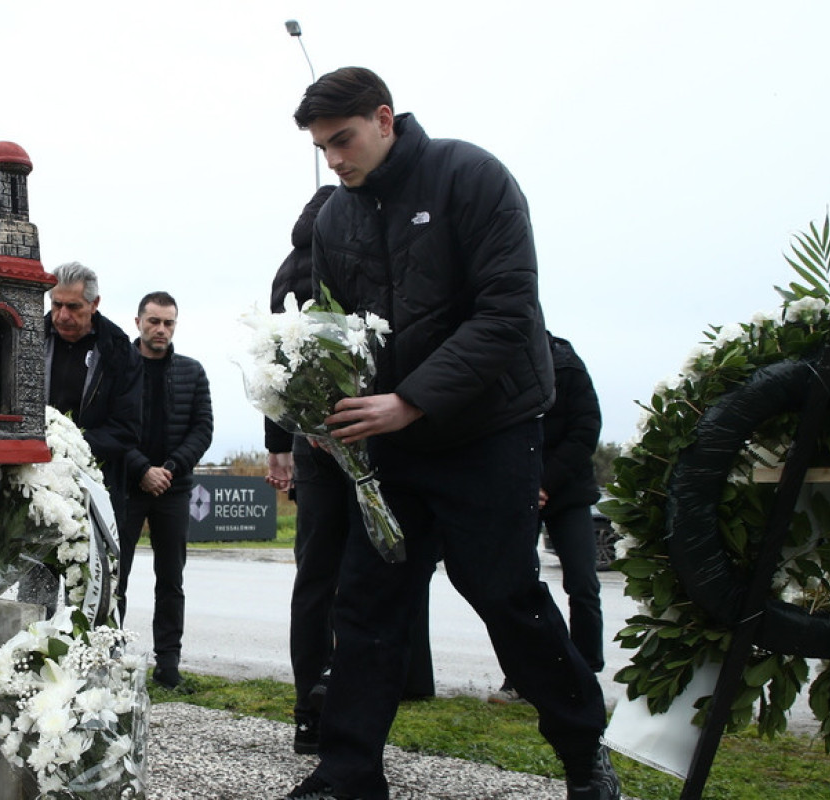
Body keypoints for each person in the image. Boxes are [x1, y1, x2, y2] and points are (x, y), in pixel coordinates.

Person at [283, 67, 618, 800]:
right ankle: (347, 775)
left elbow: (507, 314)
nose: (334, 159)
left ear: (385, 118)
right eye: (322, 148)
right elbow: (339, 332)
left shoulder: (472, 178)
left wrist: (410, 400)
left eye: (343, 140)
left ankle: (583, 750)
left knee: (504, 594)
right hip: (392, 445)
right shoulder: (336, 219)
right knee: (367, 604)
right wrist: (324, 411)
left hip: (487, 430)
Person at [265, 187, 436, 757]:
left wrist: (280, 443)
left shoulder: (285, 275)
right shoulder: (342, 266)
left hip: (314, 439)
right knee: (369, 574)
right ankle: (351, 707)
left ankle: (308, 711)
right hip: (363, 435)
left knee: (316, 576)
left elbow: (276, 374)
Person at [491, 333, 605, 704]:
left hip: (567, 492)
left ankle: (586, 673)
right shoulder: (502, 360)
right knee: (518, 586)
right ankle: (521, 676)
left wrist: (545, 483)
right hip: (518, 488)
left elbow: (585, 430)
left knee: (583, 584)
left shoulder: (568, 364)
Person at [115, 291, 213, 689]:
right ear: (138, 321)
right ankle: (107, 659)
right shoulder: (117, 369)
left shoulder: (192, 371)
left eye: (168, 322)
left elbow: (202, 429)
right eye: (153, 321)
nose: (161, 329)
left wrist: (168, 469)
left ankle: (168, 667)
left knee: (171, 579)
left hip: (172, 488)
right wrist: (141, 469)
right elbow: (106, 426)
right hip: (126, 483)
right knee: (114, 576)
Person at [44, 261, 143, 530]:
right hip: (36, 478)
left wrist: (67, 445)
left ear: (94, 303)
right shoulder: (29, 337)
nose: (62, 315)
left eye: (73, 307)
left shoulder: (119, 351)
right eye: (56, 304)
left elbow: (127, 429)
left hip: (98, 483)